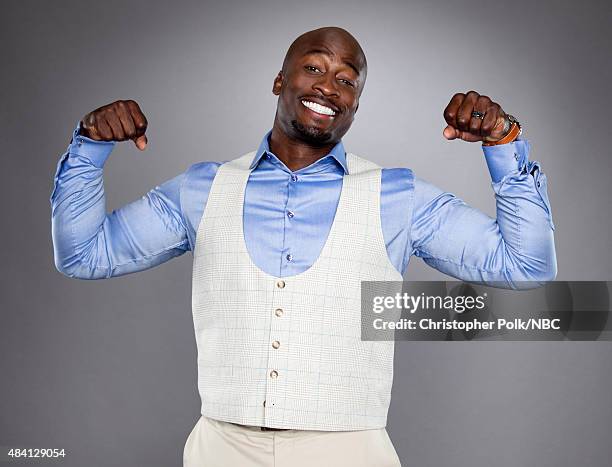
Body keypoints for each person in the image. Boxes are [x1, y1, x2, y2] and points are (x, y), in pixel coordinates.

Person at [50, 26, 556, 467]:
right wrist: (90, 145)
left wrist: (503, 142)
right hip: (222, 449)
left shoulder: (397, 196)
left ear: (355, 103)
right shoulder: (202, 189)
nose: (328, 86)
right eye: (314, 66)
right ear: (279, 80)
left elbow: (527, 266)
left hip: (348, 450)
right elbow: (84, 254)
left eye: (346, 79)